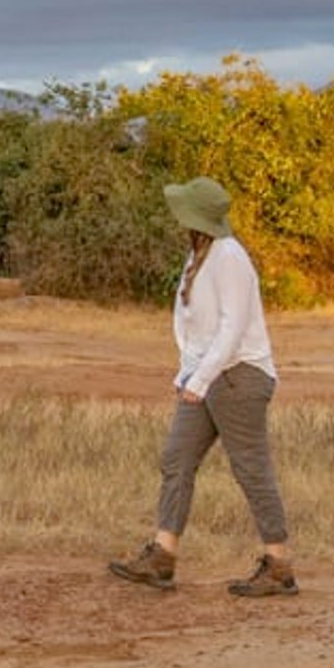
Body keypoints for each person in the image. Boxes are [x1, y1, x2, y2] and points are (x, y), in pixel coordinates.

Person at [108, 175, 298, 597]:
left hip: (238, 376)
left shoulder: (228, 256)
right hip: (209, 375)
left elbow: (232, 327)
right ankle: (162, 556)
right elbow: (196, 326)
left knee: (250, 467)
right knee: (177, 458)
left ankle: (280, 565)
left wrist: (202, 378)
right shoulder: (201, 253)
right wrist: (188, 376)